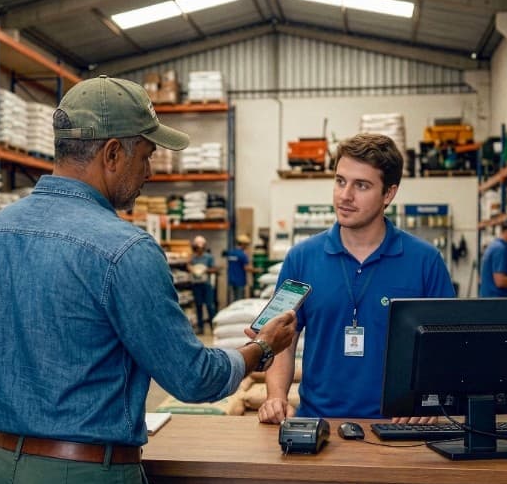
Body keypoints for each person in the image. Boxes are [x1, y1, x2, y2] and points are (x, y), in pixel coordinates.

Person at [0, 75, 297, 484]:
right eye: (145, 155)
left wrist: (26, 420)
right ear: (112, 154)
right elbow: (193, 378)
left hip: (4, 479)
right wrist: (262, 347)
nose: (149, 170)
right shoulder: (123, 249)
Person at [257, 133, 455, 425]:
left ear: (388, 194)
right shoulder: (301, 258)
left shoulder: (425, 261)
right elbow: (281, 340)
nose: (345, 196)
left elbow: (446, 347)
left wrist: (428, 398)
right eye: (340, 181)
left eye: (361, 185)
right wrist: (276, 395)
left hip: (396, 426)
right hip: (317, 424)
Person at [188, 235, 218, 333]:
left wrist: (206, 270)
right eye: (197, 248)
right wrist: (191, 268)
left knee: (210, 306)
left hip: (206, 285)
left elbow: (214, 269)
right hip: (196, 284)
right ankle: (200, 328)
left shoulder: (208, 257)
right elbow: (188, 266)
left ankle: (213, 327)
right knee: (199, 306)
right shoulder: (193, 258)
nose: (199, 250)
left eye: (201, 248)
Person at [225, 234, 254, 301]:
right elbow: (246, 268)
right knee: (239, 300)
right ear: (243, 244)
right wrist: (257, 270)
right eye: (246, 245)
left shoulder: (231, 253)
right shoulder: (242, 255)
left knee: (232, 300)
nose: (247, 246)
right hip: (240, 281)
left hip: (231, 280)